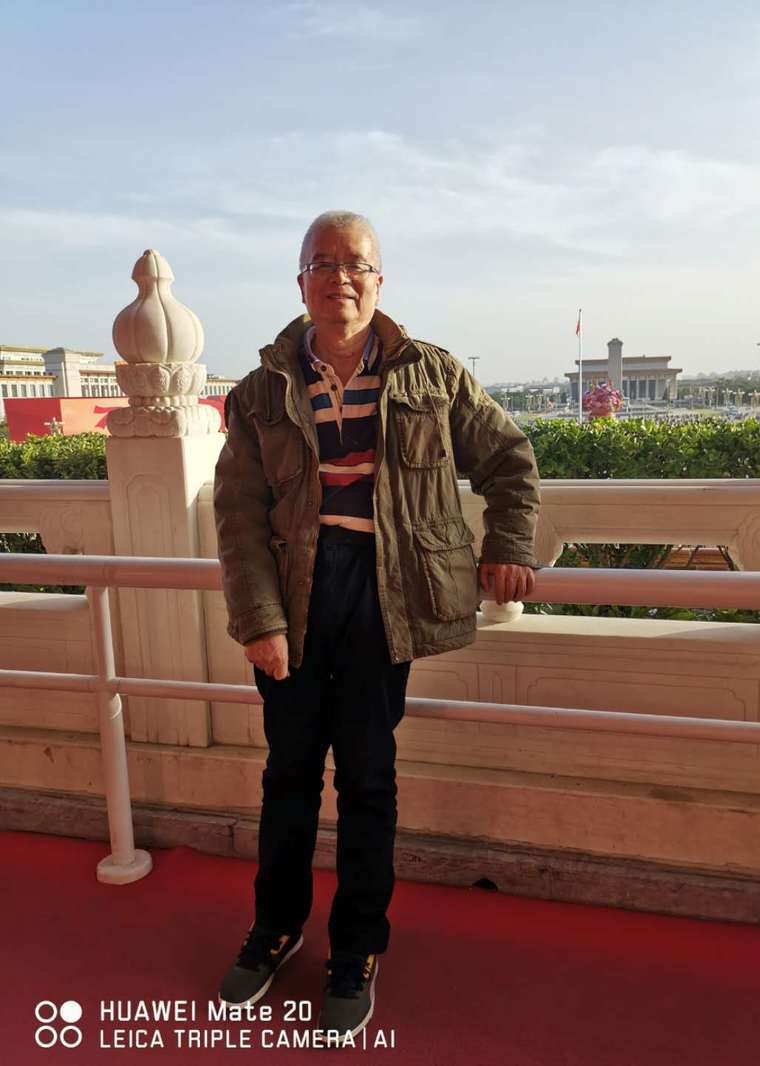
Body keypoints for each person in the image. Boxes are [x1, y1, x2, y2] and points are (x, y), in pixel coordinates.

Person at [213, 210, 540, 1044]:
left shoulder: (431, 373)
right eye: (321, 263)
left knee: (367, 778)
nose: (340, 277)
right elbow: (239, 516)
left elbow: (508, 459)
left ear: (379, 280)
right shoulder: (260, 391)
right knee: (288, 775)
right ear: (301, 282)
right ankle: (274, 929)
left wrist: (507, 545)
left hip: (385, 593)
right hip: (294, 592)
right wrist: (258, 620)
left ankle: (356, 948)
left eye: (355, 263)